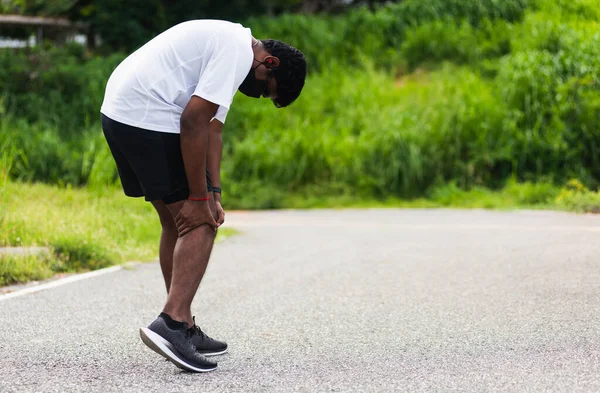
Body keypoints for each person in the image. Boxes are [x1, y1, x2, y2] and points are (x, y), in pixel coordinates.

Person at [100, 19, 306, 372]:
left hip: (122, 113)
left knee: (178, 221)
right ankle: (173, 324)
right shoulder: (235, 52)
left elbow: (213, 130)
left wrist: (214, 192)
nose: (256, 94)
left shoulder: (232, 46)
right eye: (264, 89)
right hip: (147, 115)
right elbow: (193, 122)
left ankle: (183, 324)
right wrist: (200, 200)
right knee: (200, 223)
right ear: (269, 63)